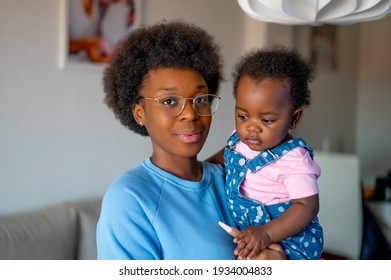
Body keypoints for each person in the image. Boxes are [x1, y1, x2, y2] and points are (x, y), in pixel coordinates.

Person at [96, 20, 286, 260]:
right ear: (139, 113)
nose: (190, 113)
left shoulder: (235, 179)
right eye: (169, 101)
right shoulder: (129, 199)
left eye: (201, 99)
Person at [208, 46, 324, 260]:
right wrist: (201, 166)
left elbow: (307, 207)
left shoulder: (294, 159)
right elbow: (226, 156)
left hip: (289, 239)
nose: (252, 128)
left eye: (266, 120)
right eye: (243, 116)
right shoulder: (240, 140)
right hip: (251, 233)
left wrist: (267, 233)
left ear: (294, 118)